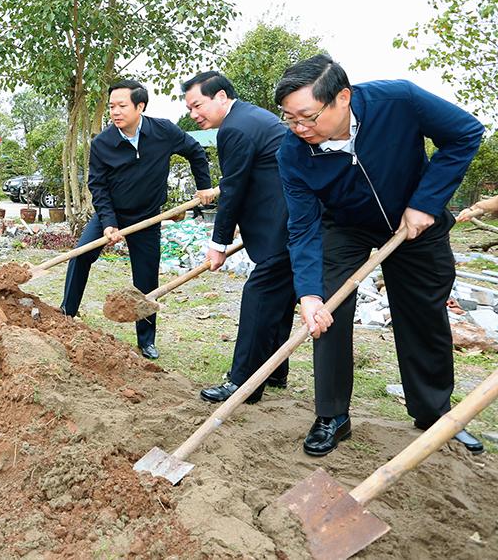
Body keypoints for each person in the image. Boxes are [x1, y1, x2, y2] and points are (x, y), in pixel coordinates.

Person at [275, 54, 485, 457]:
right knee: (327, 311)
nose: (299, 128)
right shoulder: (293, 153)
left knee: (424, 312)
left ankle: (434, 414)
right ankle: (332, 415)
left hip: (413, 218)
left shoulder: (399, 100)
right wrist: (309, 294)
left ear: (342, 98)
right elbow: (301, 227)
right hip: (346, 224)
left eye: (307, 116)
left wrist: (426, 202)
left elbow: (464, 134)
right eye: (289, 118)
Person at [61, 79, 213, 360]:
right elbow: (98, 186)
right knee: (80, 256)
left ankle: (146, 340)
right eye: (111, 107)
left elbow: (194, 150)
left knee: (146, 278)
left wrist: (203, 186)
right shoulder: (103, 143)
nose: (115, 112)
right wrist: (108, 222)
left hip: (146, 216)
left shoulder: (163, 131)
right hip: (112, 214)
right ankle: (66, 314)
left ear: (139, 106)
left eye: (121, 106)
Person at [183, 71, 293, 404]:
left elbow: (233, 190)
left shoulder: (234, 127)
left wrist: (218, 245)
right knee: (280, 299)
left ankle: (243, 382)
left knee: (259, 296)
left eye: (197, 105)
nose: (193, 114)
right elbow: (248, 175)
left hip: (280, 225)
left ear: (220, 97)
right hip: (290, 222)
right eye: (189, 108)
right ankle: (274, 370)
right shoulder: (253, 117)